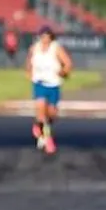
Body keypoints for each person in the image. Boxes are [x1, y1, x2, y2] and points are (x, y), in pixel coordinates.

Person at [25, 26, 72, 154]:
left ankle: (39, 125)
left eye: (47, 36)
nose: (45, 39)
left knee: (51, 114)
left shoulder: (56, 48)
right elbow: (29, 61)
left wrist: (63, 72)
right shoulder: (35, 48)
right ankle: (48, 139)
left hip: (53, 84)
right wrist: (29, 72)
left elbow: (67, 63)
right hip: (40, 83)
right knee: (41, 111)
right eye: (43, 36)